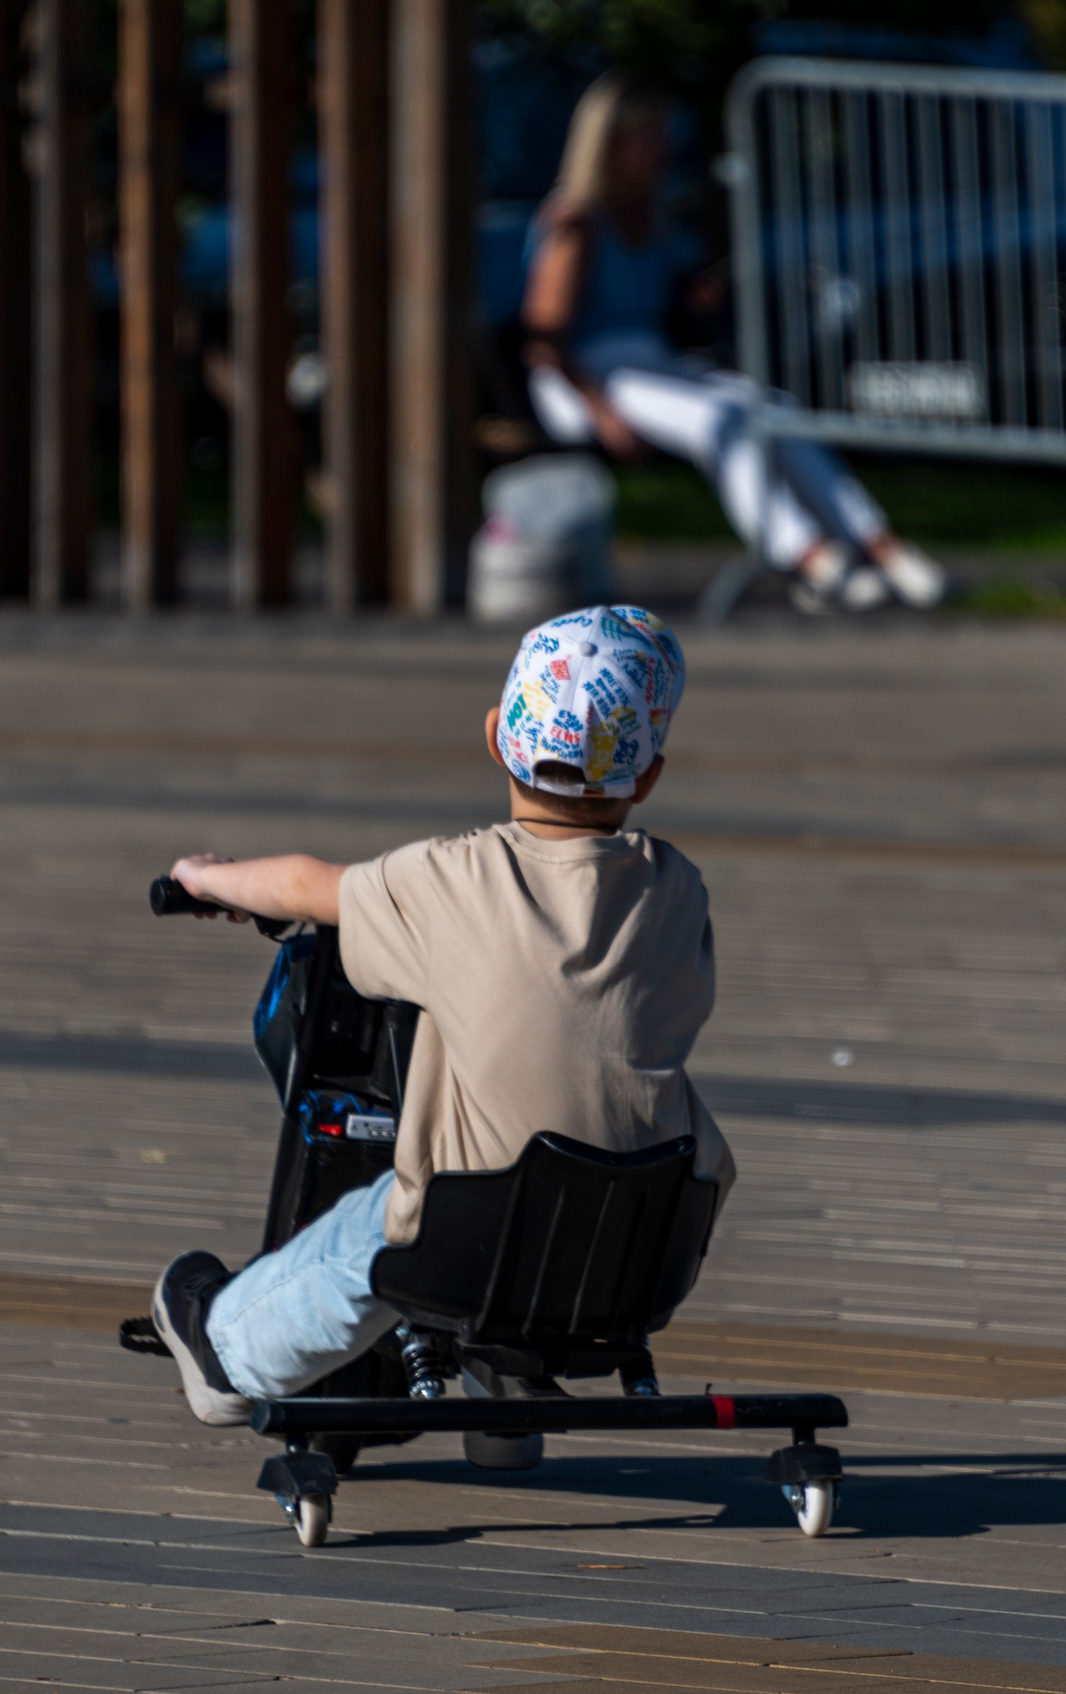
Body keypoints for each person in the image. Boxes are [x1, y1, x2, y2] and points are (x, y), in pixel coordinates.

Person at [149, 604, 736, 1425]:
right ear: (647, 776)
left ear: (497, 734)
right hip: (641, 1245)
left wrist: (208, 876)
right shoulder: (677, 892)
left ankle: (227, 1351)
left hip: (470, 1245)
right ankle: (507, 1366)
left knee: (382, 1220)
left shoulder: (453, 878)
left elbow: (304, 887)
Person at [522, 74, 947, 614]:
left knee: (773, 409)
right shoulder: (576, 221)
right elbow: (546, 337)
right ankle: (809, 556)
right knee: (718, 421)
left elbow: (659, 310)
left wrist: (696, 298)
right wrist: (601, 410)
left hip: (650, 360)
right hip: (582, 375)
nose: (666, 148)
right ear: (613, 142)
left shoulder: (656, 213)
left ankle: (876, 544)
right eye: (652, 136)